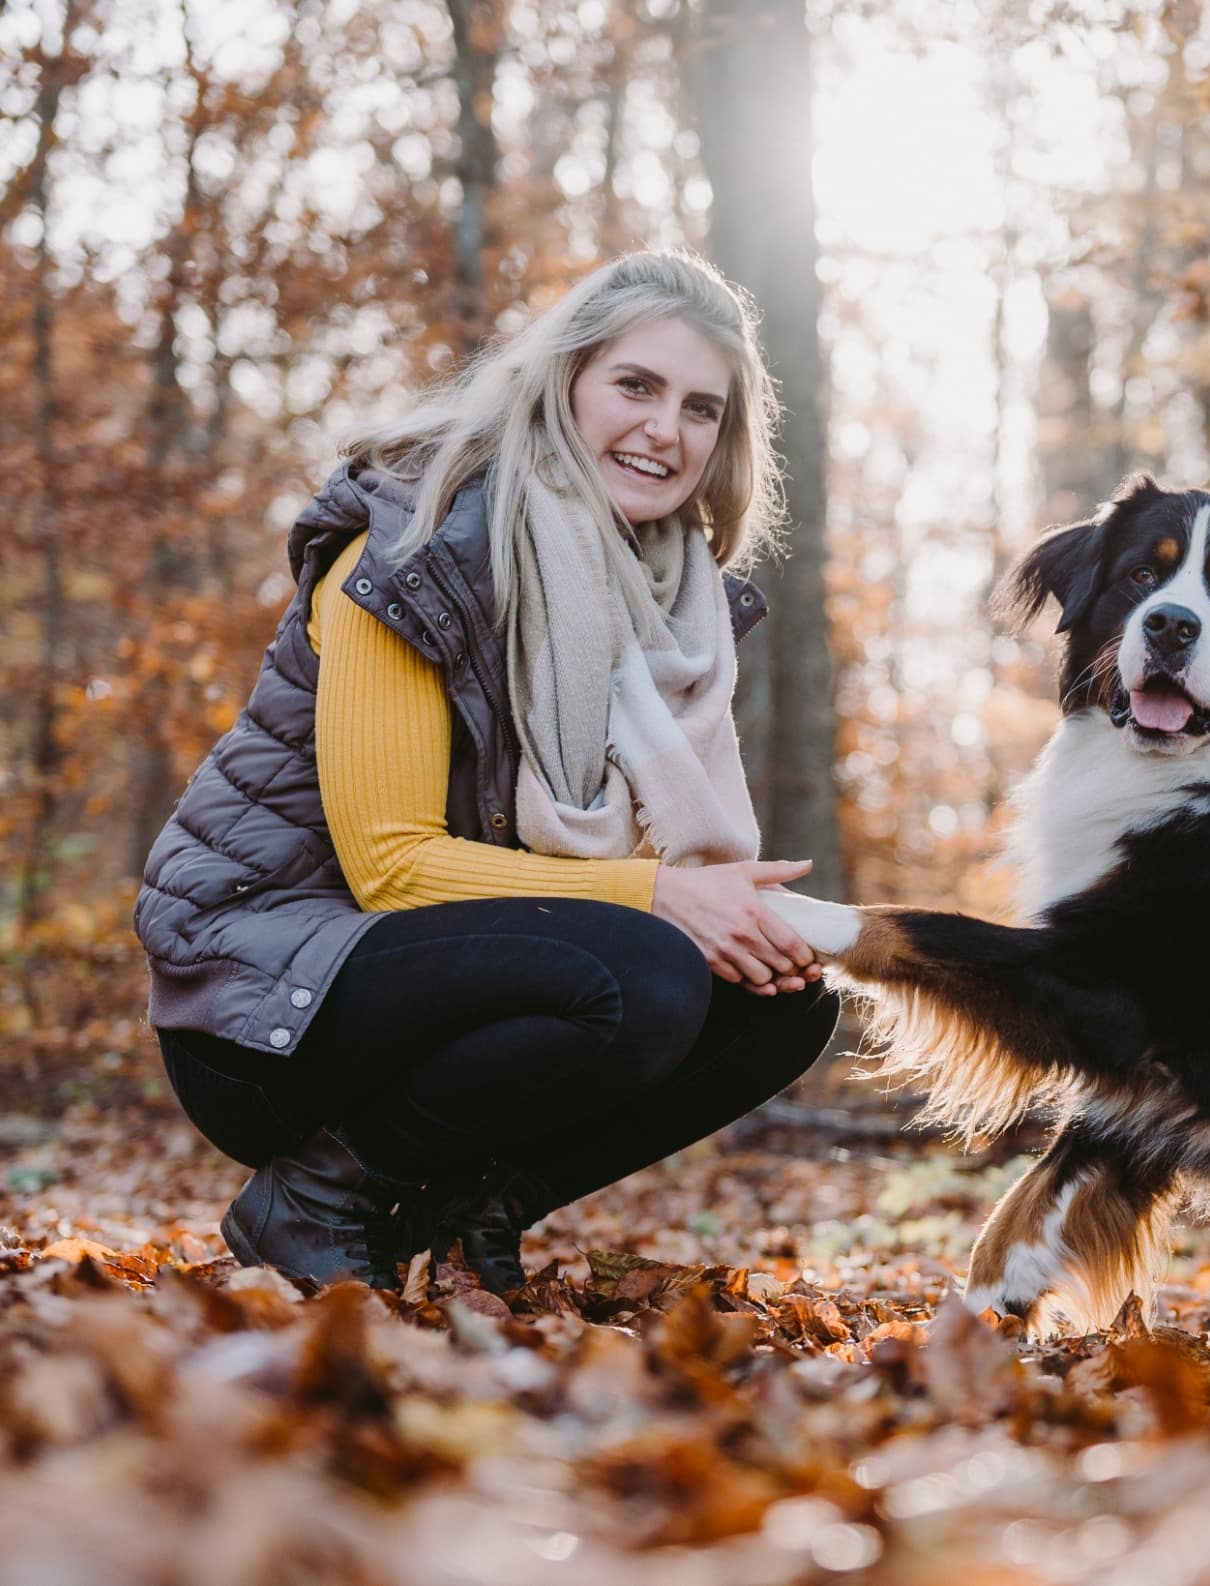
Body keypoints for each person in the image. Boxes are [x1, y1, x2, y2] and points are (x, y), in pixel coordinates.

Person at [135, 250, 840, 1294]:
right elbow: (391, 865)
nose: (666, 431)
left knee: (780, 994)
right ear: (561, 381)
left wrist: (697, 908)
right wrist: (659, 893)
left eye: (701, 408)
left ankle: (468, 1205)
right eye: (635, 386)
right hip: (264, 999)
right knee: (643, 969)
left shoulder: (669, 604)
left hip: (440, 982)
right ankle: (318, 1191)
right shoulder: (416, 545)